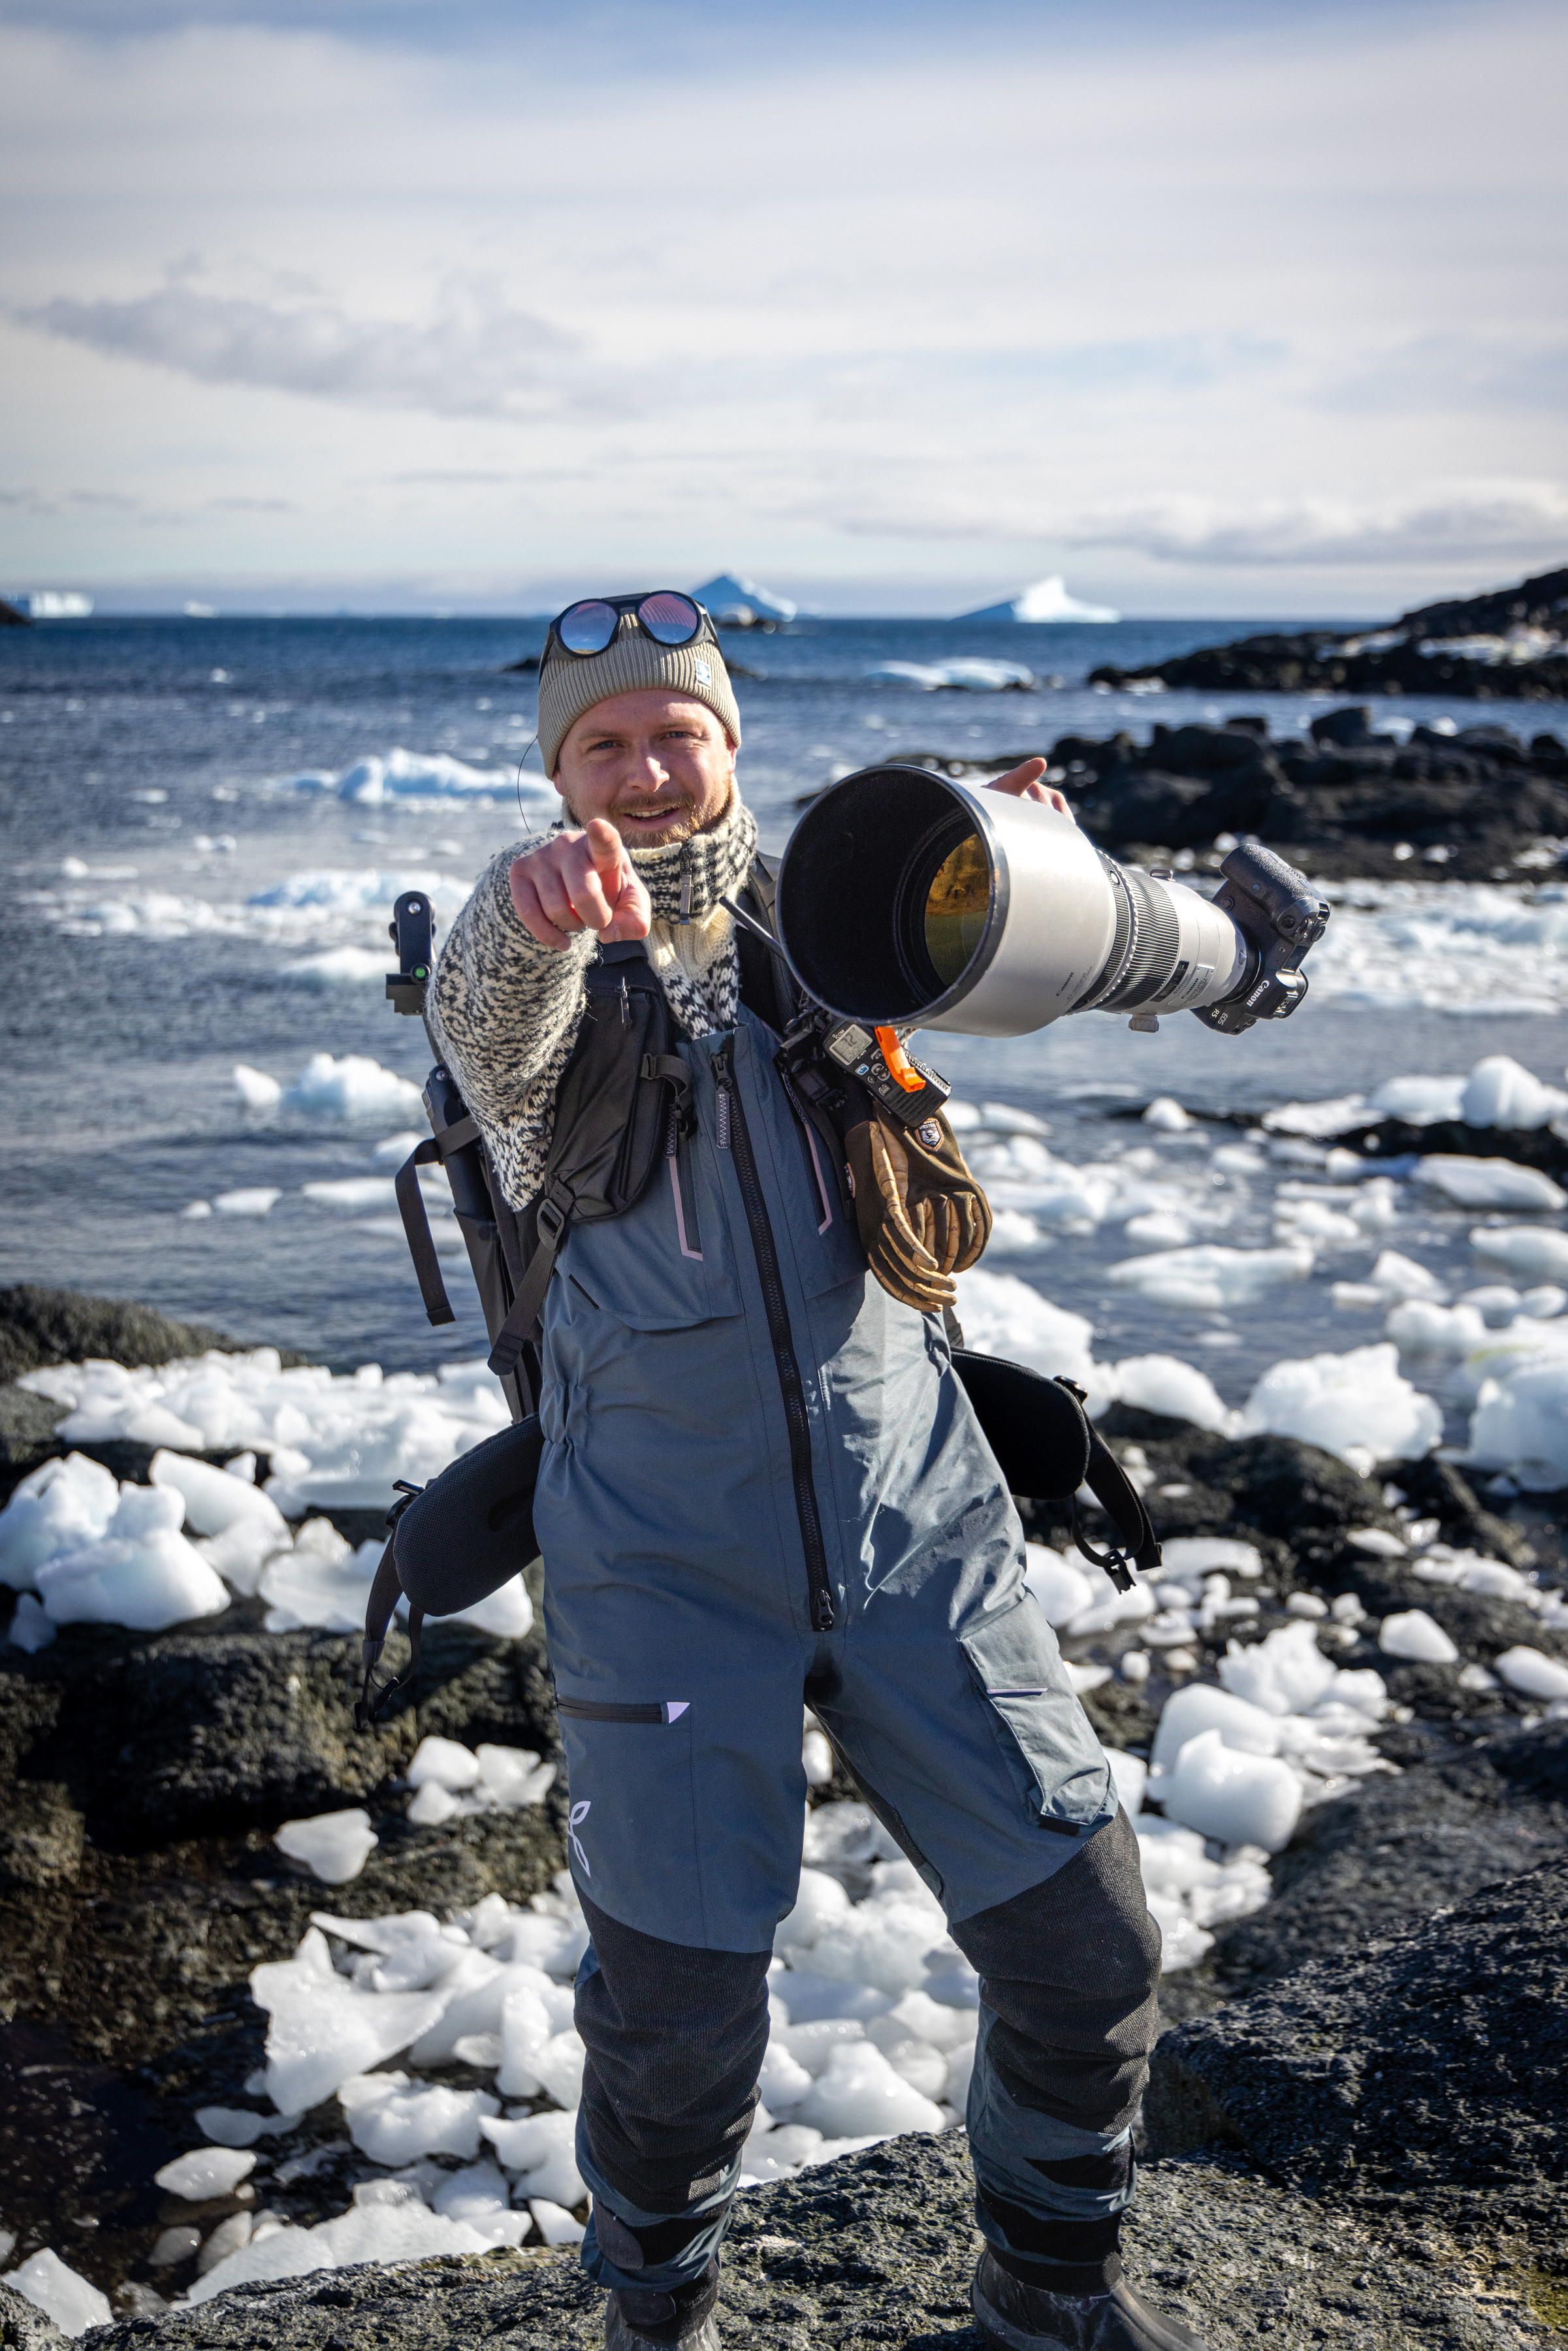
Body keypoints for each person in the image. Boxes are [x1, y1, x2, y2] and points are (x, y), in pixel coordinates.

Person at [428, 590, 1204, 2351]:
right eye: (599, 744)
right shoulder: (534, 982)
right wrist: (521, 907)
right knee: (680, 2025)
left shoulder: (852, 918)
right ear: (560, 776)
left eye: (671, 731)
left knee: (1086, 1954)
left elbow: (1069, 964)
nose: (641, 766)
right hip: (660, 1582)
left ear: (725, 746)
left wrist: (1016, 866)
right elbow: (495, 1021)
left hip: (922, 1538)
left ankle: (1048, 2307)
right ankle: (656, 2328)